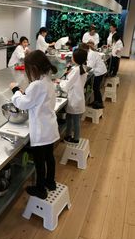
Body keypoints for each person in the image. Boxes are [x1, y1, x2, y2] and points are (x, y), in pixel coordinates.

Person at [10, 50, 60, 199]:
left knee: (39, 161)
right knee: (49, 157)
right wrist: (24, 93)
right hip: (50, 127)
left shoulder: (37, 85)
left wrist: (15, 90)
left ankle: (40, 189)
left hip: (40, 130)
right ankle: (50, 183)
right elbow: (36, 99)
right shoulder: (47, 80)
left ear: (33, 69)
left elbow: (23, 104)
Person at [57, 48, 88, 144]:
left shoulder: (76, 70)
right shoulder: (82, 68)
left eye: (73, 56)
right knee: (70, 118)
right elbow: (72, 82)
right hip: (77, 98)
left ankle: (76, 139)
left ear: (76, 58)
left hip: (75, 99)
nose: (71, 58)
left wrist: (60, 83)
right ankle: (68, 136)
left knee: (75, 121)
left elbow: (67, 85)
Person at [80, 42, 107, 109]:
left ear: (85, 49)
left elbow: (89, 67)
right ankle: (96, 101)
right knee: (95, 87)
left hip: (99, 72)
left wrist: (81, 71)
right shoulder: (90, 52)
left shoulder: (91, 54)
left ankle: (100, 103)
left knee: (96, 88)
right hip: (99, 70)